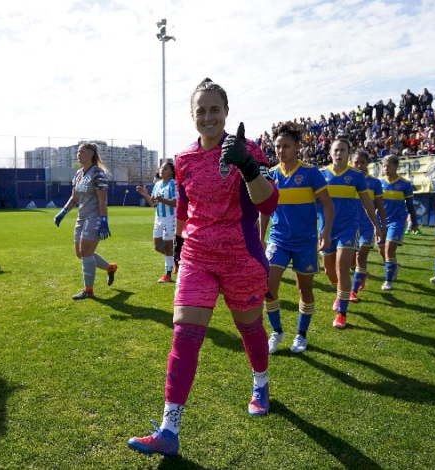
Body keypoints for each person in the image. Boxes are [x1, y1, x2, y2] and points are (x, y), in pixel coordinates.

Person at [127, 78, 279, 458]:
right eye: (201, 111)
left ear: (226, 112)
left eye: (215, 109)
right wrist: (179, 251)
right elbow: (182, 210)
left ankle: (260, 382)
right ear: (192, 116)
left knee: (250, 329)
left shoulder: (249, 150)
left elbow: (268, 204)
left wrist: (247, 166)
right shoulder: (183, 160)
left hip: (241, 259)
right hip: (196, 257)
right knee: (184, 336)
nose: (208, 116)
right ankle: (169, 429)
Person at [260, 122, 334, 354]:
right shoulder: (271, 175)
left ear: (297, 146)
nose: (281, 150)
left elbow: (328, 206)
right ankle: (277, 331)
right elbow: (264, 209)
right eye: (278, 146)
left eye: (286, 146)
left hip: (305, 242)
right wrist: (260, 237)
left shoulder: (311, 173)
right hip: (278, 240)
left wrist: (325, 232)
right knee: (268, 287)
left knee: (305, 290)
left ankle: (301, 335)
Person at [320, 139, 383, 329]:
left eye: (343, 150)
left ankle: (342, 314)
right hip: (327, 230)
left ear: (348, 154)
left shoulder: (356, 176)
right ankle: (341, 293)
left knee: (341, 268)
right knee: (330, 272)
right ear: (330, 153)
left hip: (349, 228)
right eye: (336, 150)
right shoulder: (321, 174)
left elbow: (367, 203)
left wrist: (377, 226)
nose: (339, 153)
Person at [53, 143, 118, 300]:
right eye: (78, 152)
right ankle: (110, 268)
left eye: (81, 151)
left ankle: (88, 290)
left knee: (86, 253)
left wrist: (104, 221)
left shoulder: (98, 174)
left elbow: (103, 201)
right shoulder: (78, 174)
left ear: (90, 154)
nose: (78, 154)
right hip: (81, 217)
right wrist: (63, 212)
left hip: (94, 217)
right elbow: (74, 198)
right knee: (80, 253)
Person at [377, 155, 416, 291]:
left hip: (397, 220)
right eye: (384, 166)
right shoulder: (379, 183)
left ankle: (388, 281)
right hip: (381, 220)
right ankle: (394, 266)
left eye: (389, 166)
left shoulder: (405, 184)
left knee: (389, 249)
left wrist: (415, 222)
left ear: (396, 166)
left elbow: (410, 205)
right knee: (382, 250)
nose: (386, 168)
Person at [350, 150, 384, 300]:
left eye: (362, 162)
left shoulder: (375, 183)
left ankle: (353, 291)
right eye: (356, 162)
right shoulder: (347, 180)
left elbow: (380, 206)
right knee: (350, 259)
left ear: (367, 164)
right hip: (349, 225)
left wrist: (381, 226)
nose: (359, 165)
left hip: (367, 225)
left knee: (360, 255)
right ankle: (362, 273)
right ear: (351, 163)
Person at [136, 162, 177, 283]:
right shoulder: (157, 184)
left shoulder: (173, 184)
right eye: (161, 168)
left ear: (171, 172)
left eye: (166, 169)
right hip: (158, 218)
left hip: (170, 218)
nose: (162, 170)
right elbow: (153, 202)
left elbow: (176, 202)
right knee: (157, 246)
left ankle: (168, 274)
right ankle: (175, 259)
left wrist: (162, 199)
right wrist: (145, 195)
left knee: (168, 246)